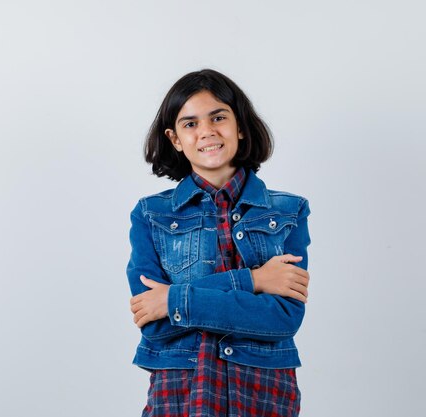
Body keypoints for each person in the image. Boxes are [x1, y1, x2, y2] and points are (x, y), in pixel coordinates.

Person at [127, 68, 311, 417]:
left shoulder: (289, 212)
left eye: (218, 117)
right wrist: (252, 281)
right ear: (175, 139)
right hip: (181, 395)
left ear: (240, 126)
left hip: (263, 394)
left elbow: (283, 317)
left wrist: (175, 299)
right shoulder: (151, 215)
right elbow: (153, 321)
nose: (207, 131)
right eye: (190, 123)